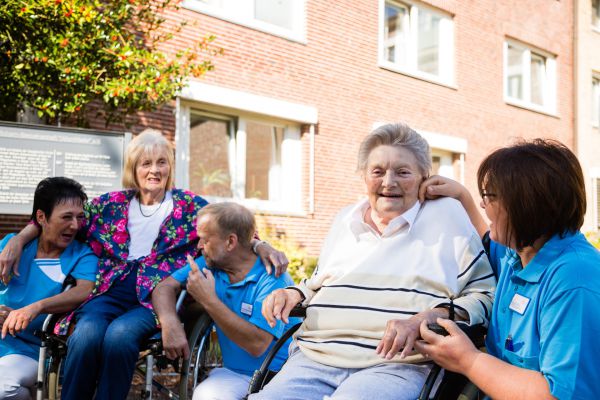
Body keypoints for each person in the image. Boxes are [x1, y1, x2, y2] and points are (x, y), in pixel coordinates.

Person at [0, 130, 288, 400]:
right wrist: (20, 238)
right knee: (86, 334)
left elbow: (232, 230)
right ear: (134, 169)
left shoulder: (189, 206)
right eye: (146, 163)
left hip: (153, 296)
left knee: (120, 336)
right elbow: (61, 215)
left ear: (170, 167)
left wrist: (262, 245)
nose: (154, 170)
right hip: (108, 291)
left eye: (161, 162)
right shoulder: (110, 204)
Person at [255, 123, 496, 400]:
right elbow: (318, 284)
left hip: (398, 363)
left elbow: (485, 295)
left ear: (423, 178)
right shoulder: (345, 219)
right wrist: (292, 293)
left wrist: (427, 318)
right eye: (378, 172)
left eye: (402, 172)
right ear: (364, 176)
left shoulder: (446, 215)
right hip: (315, 356)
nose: (388, 182)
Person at [414, 139, 600, 399]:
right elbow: (486, 237)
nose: (482, 204)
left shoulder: (574, 279)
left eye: (489, 196)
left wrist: (468, 360)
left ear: (526, 203)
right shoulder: (520, 253)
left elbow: (559, 395)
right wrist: (461, 196)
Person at [153, 202, 300, 400]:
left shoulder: (272, 277)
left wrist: (208, 300)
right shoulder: (212, 263)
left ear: (230, 242)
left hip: (279, 377)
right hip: (235, 374)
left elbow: (257, 345)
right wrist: (170, 322)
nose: (198, 246)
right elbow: (164, 287)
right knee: (206, 395)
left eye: (204, 239)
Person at [0, 177, 97, 400]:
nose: (74, 225)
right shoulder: (13, 246)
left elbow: (83, 290)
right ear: (42, 218)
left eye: (79, 217)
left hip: (32, 350)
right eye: (66, 217)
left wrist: (35, 308)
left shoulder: (82, 254)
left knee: (4, 388)